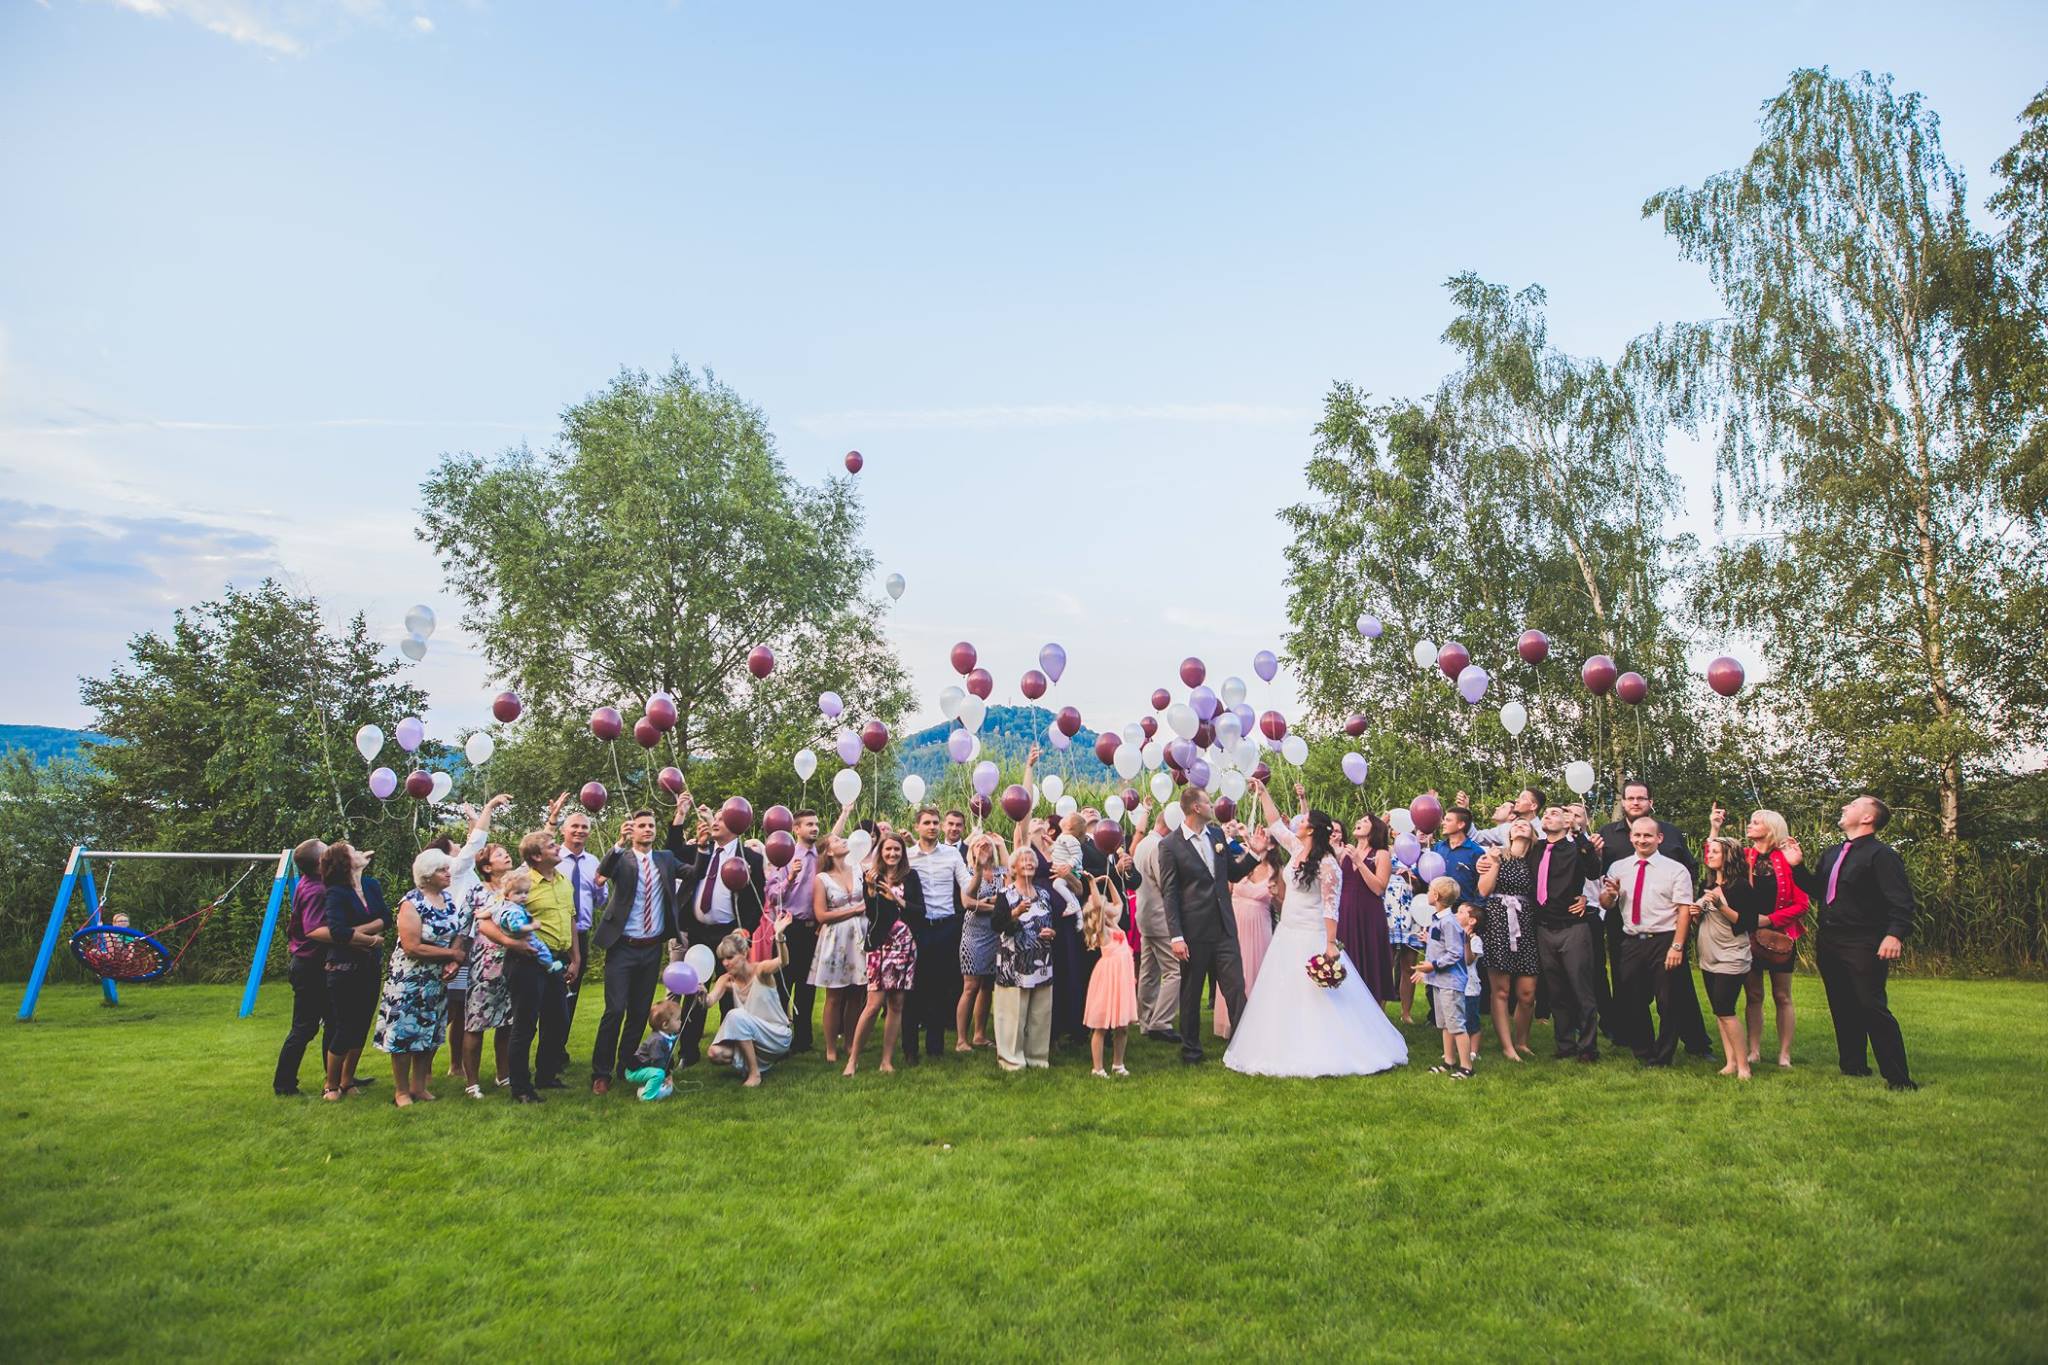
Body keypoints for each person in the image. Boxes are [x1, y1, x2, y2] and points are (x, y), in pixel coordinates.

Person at [1223, 779, 1407, 1077]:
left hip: (1312, 933)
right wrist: (1264, 792)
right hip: (1287, 931)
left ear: (1311, 829)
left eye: (1303, 820)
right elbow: (1275, 823)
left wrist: (1331, 943)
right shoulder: (1296, 848)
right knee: (1282, 990)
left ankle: (1330, 1046)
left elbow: (1331, 907)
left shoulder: (1328, 864)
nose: (1298, 823)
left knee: (1316, 994)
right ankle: (1281, 1044)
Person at [1790, 795, 1918, 1089]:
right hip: (1829, 939)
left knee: (1871, 1005)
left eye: (1854, 805)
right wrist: (1797, 867)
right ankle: (1853, 1066)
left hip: (1863, 940)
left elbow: (1901, 899)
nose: (1845, 807)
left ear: (1868, 818)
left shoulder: (1882, 855)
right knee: (1841, 1004)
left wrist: (1895, 934)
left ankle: (1899, 1079)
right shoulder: (1833, 853)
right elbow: (1819, 891)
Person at [1156, 784, 1256, 1063]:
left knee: (1235, 987)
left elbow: (1232, 873)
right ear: (1196, 807)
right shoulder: (1170, 845)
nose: (1213, 806)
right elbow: (1170, 893)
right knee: (1191, 992)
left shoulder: (1217, 835)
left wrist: (1254, 855)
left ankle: (1243, 1047)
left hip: (1224, 926)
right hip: (1193, 931)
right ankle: (1191, 1050)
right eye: (1208, 803)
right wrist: (1176, 936)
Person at [589, 809, 686, 1094]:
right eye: (641, 825)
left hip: (651, 948)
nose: (647, 829)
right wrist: (618, 844)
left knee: (639, 1012)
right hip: (622, 946)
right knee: (615, 1010)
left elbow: (692, 873)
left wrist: (704, 848)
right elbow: (602, 875)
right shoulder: (622, 859)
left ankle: (626, 1066)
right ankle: (601, 1072)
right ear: (632, 830)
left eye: (651, 825)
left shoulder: (665, 859)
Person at [669, 794, 766, 1068]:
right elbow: (672, 852)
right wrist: (680, 815)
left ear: (737, 823)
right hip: (698, 932)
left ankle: (729, 1047)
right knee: (694, 992)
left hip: (729, 935)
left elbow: (757, 901)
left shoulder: (750, 858)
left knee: (730, 996)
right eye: (716, 817)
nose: (715, 821)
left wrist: (744, 931)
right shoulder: (702, 849)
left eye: (722, 818)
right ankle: (688, 1052)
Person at [372, 848, 473, 1107]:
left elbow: (459, 932)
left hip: (437, 979)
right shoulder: (411, 903)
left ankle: (419, 1086)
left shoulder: (448, 899)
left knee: (429, 1031)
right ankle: (401, 1091)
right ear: (427, 875)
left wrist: (453, 960)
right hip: (410, 979)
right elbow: (412, 946)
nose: (448, 873)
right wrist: (451, 954)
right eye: (442, 870)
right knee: (405, 1034)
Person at [1599, 815, 1701, 1067]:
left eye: (1647, 835)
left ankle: (1663, 1054)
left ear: (1659, 838)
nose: (1642, 840)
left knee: (1668, 1001)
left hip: (1664, 939)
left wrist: (1677, 946)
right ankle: (1643, 1050)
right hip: (1632, 940)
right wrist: (1610, 895)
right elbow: (1606, 904)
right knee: (1633, 1000)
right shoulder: (1618, 868)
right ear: (1631, 837)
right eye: (1637, 835)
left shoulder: (1675, 870)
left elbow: (1684, 910)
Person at [1713, 804, 1807, 1069]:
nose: (1750, 825)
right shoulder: (1743, 857)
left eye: (1756, 822)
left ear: (1771, 828)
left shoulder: (1788, 860)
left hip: (1780, 937)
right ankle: (1753, 1050)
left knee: (1782, 996)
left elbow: (1802, 904)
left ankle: (1784, 1054)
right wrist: (1715, 828)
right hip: (1748, 935)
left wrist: (1770, 920)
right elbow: (1714, 859)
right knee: (1753, 995)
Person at [991, 819, 1077, 1071]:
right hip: (1014, 961)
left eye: (1031, 860)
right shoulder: (1006, 894)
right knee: (1013, 1013)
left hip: (1041, 960)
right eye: (1023, 861)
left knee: (1040, 1012)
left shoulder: (1044, 894)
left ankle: (1037, 1056)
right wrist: (1016, 912)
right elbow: (997, 925)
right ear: (1014, 868)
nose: (1029, 863)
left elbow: (1052, 923)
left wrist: (1052, 933)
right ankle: (1012, 1058)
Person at [437, 795, 510, 1077]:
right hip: (468, 948)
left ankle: (459, 1066)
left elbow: (474, 845)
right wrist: (488, 808)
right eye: (455, 847)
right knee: (456, 1011)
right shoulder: (456, 870)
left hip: (483, 949)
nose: (460, 847)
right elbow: (475, 845)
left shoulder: (470, 874)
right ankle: (438, 1068)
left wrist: (473, 818)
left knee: (464, 1011)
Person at [506, 829, 581, 1102]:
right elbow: (492, 918)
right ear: (537, 856)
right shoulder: (522, 883)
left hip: (557, 961)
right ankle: (521, 1088)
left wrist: (576, 958)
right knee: (525, 1025)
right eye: (551, 846)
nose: (558, 847)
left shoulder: (563, 881)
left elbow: (570, 919)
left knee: (558, 1020)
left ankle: (546, 1076)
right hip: (527, 961)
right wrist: (513, 943)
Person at [1530, 807, 1603, 1061]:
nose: (1548, 816)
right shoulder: (1536, 849)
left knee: (1581, 990)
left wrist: (1579, 834)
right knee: (1556, 991)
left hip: (1572, 927)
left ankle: (1588, 1047)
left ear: (1566, 823)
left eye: (1554, 813)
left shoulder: (1576, 849)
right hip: (1543, 928)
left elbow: (1594, 871)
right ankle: (1564, 1045)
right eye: (1546, 814)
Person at [317, 842, 387, 1101]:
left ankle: (348, 1080)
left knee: (361, 1024)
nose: (359, 852)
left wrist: (356, 934)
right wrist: (371, 939)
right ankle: (331, 1085)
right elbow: (337, 931)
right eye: (352, 851)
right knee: (344, 1026)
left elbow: (385, 918)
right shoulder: (336, 892)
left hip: (370, 965)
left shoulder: (371, 885)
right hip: (343, 967)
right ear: (344, 862)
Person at [845, 832, 920, 1075]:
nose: (892, 853)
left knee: (897, 1002)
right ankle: (852, 1060)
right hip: (879, 945)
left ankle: (886, 1061)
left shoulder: (910, 876)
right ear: (881, 852)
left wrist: (897, 900)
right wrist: (871, 891)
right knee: (874, 1003)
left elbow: (920, 910)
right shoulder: (872, 877)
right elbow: (871, 914)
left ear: (902, 852)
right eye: (888, 849)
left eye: (897, 849)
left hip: (903, 944)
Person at [1695, 835, 1767, 1080]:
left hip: (1731, 955)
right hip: (1708, 955)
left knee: (1726, 1010)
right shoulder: (1706, 883)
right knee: (1719, 1011)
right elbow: (1702, 919)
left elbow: (1747, 922)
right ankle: (1730, 1062)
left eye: (1715, 851)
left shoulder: (1740, 887)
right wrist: (1696, 912)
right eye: (1709, 851)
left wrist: (1720, 905)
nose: (1710, 855)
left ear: (1729, 856)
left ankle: (1744, 1067)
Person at [768, 805, 839, 1054]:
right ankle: (778, 1037)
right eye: (809, 824)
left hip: (813, 930)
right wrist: (789, 879)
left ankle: (803, 1040)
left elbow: (835, 837)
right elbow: (772, 896)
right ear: (796, 829)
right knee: (782, 986)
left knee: (807, 987)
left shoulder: (822, 857)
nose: (815, 828)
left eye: (816, 824)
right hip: (789, 929)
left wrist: (845, 812)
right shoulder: (784, 855)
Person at [905, 804, 973, 1060]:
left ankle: (935, 1048)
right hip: (918, 927)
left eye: (935, 822)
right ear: (917, 827)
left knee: (940, 988)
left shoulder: (952, 855)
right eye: (927, 823)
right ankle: (910, 1049)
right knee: (914, 988)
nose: (932, 827)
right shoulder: (908, 857)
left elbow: (967, 886)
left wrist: (979, 872)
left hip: (946, 926)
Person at [1474, 820, 1542, 1062]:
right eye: (1516, 824)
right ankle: (1507, 1046)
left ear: (1534, 833)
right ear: (1509, 833)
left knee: (1527, 992)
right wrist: (1493, 863)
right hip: (1498, 922)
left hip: (1527, 924)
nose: (1520, 826)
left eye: (1525, 824)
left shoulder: (1537, 859)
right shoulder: (1497, 855)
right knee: (1501, 990)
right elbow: (1483, 890)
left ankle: (1522, 1041)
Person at [704, 918, 796, 1086]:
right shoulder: (726, 979)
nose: (725, 963)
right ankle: (759, 1062)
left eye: (730, 957)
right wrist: (699, 993)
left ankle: (755, 1074)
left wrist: (779, 935)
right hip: (754, 1039)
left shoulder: (760, 971)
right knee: (714, 1053)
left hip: (777, 1036)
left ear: (744, 953)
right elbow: (709, 1001)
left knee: (736, 1015)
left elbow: (783, 961)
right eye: (722, 959)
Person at [808, 813, 868, 1065]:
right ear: (829, 852)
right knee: (835, 996)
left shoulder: (859, 869)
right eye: (837, 840)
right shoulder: (822, 879)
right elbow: (821, 915)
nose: (844, 840)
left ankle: (850, 1041)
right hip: (836, 939)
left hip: (861, 937)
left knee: (857, 993)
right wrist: (855, 910)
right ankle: (831, 1047)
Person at [546, 799, 608, 1041]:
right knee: (548, 999)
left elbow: (600, 901)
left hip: (580, 936)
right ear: (564, 830)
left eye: (584, 827)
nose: (580, 830)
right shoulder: (552, 858)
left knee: (570, 996)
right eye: (575, 826)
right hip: (552, 936)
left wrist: (600, 886)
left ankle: (559, 1050)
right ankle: (545, 1051)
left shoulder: (594, 862)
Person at [273, 837, 329, 1096]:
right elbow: (314, 930)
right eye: (327, 852)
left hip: (311, 962)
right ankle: (284, 1084)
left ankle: (337, 1077)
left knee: (333, 1022)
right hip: (310, 966)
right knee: (305, 1027)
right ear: (319, 863)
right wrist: (352, 936)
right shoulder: (315, 889)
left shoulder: (313, 883)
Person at [460, 849, 519, 1098]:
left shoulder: (514, 887)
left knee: (508, 1022)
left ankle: (503, 1075)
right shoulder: (477, 891)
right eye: (500, 854)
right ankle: (472, 1083)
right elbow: (463, 926)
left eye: (506, 853)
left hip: (514, 961)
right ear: (486, 867)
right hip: (485, 963)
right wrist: (455, 958)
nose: (507, 856)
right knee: (476, 1023)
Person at [1214, 823, 1282, 1037]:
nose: (1260, 837)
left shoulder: (1276, 872)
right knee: (1234, 973)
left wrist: (1276, 896)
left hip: (1259, 927)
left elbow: (1282, 907)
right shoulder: (1242, 863)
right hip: (1235, 924)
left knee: (1256, 971)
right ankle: (1230, 1021)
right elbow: (1225, 891)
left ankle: (1255, 1024)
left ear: (1272, 845)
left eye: (1266, 836)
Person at [1412, 879, 1475, 1077]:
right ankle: (1449, 1061)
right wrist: (1425, 967)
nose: (1427, 893)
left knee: (1456, 1025)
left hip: (1450, 982)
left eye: (1429, 890)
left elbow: (1455, 953)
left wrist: (1433, 965)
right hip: (1438, 981)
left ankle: (1467, 1067)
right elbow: (1439, 946)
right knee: (1445, 1025)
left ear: (1436, 896)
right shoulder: (1438, 920)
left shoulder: (1449, 922)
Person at [1336, 808, 1397, 1005]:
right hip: (1345, 913)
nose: (1359, 822)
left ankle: (1373, 1013)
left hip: (1369, 915)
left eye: (1365, 821)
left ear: (1375, 829)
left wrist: (1359, 863)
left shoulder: (1381, 854)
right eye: (1359, 819)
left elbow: (1379, 888)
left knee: (1370, 962)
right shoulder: (1344, 853)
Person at [1131, 809, 1182, 1044]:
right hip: (1160, 917)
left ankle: (1145, 1019)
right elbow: (1167, 884)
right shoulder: (1159, 847)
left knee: (1149, 972)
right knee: (1174, 971)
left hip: (1145, 915)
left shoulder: (1144, 844)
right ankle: (1161, 1022)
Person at [1081, 874, 1136, 1076]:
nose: (1109, 906)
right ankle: (1097, 1068)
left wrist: (1110, 882)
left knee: (1122, 1026)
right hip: (1108, 980)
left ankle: (1118, 1064)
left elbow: (1119, 903)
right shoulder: (1102, 932)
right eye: (1105, 905)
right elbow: (1098, 907)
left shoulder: (1116, 926)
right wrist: (1092, 884)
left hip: (1122, 979)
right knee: (1101, 1025)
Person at [956, 831, 1006, 1050]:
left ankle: (979, 1034)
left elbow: (1010, 892)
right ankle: (961, 1039)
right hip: (974, 936)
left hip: (996, 934)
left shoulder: (1000, 872)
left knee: (987, 986)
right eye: (979, 845)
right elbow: (968, 901)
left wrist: (1001, 845)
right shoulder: (967, 871)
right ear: (972, 850)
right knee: (971, 986)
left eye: (987, 845)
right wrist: (995, 906)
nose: (984, 848)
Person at [1381, 815, 1426, 1025]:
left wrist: (1413, 880)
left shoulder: (1419, 855)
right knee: (1386, 963)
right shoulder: (1386, 852)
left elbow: (1423, 886)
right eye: (1395, 829)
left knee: (1409, 965)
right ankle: (1379, 1009)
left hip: (1412, 912)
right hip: (1389, 912)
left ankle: (1406, 1013)